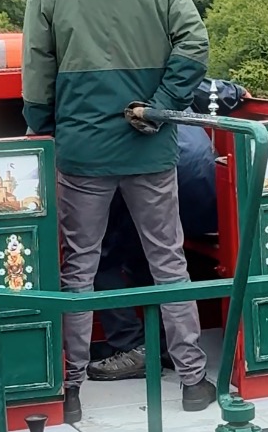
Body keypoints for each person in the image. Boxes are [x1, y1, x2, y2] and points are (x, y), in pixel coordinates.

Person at [22, 0, 212, 423]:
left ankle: (72, 389)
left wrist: (43, 123)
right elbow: (194, 43)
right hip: (151, 150)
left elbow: (38, 70)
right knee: (169, 262)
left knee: (78, 266)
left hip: (81, 152)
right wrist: (162, 104)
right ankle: (195, 382)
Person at [89, 120, 221, 379]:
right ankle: (169, 346)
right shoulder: (172, 83)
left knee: (96, 255)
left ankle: (131, 346)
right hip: (209, 196)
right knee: (157, 254)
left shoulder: (113, 92)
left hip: (157, 173)